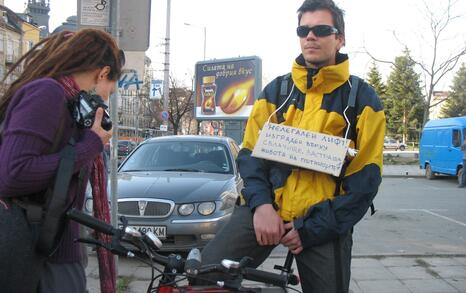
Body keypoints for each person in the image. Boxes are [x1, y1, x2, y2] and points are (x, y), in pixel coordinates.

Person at [200, 0, 386, 292]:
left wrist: (311, 229)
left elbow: (366, 181)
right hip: (265, 211)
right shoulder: (276, 91)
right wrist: (261, 205)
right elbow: (249, 157)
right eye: (303, 29)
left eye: (322, 29)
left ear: (340, 38)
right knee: (202, 276)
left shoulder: (363, 98)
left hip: (322, 222)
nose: (310, 36)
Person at [0, 29, 124, 293]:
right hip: (35, 252)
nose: (104, 100)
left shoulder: (66, 101)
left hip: (54, 246)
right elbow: (13, 174)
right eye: (108, 92)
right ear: (102, 73)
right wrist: (91, 145)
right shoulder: (47, 93)